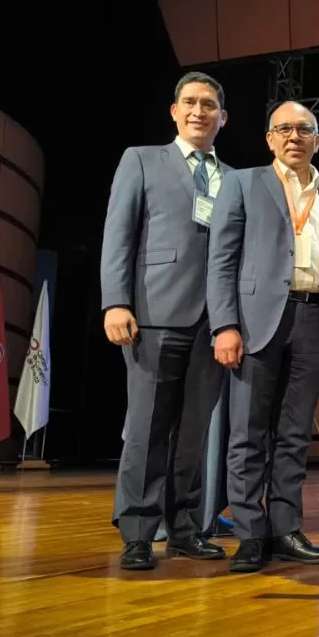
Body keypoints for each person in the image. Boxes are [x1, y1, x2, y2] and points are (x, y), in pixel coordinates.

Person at [100, 71, 232, 570]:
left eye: (209, 105)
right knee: (147, 428)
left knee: (194, 432)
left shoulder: (233, 177)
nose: (199, 111)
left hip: (214, 322)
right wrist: (116, 300)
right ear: (174, 111)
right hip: (153, 314)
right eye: (190, 103)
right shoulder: (140, 159)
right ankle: (137, 530)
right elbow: (118, 235)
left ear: (223, 117)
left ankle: (183, 527)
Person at [206, 101, 319, 573]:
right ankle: (249, 532)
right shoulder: (242, 183)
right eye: (283, 129)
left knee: (295, 433)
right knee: (247, 432)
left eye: (303, 129)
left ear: (317, 140)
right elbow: (221, 259)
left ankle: (285, 528)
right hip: (255, 319)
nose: (293, 136)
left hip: (312, 317)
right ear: (269, 139)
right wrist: (224, 325)